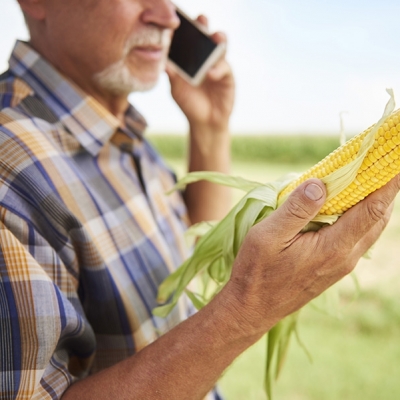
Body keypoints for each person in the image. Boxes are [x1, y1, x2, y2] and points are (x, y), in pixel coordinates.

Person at [0, 1, 398, 399]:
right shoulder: (9, 166)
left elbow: (185, 253)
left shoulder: (121, 134)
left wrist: (210, 125)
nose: (167, 17)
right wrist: (246, 310)